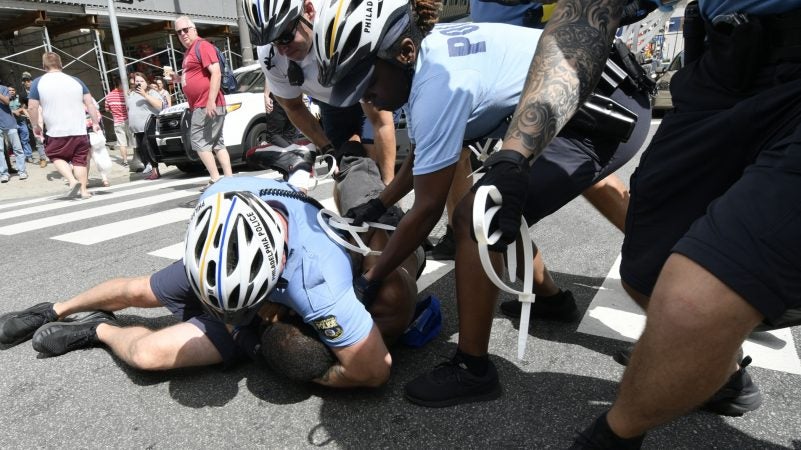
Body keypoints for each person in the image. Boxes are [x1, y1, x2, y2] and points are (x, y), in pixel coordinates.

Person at [469, 0, 801, 447]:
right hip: (723, 66)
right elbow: (585, 18)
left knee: (694, 300)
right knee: (648, 273)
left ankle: (612, 437)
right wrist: (513, 158)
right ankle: (722, 378)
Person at [314, 0, 653, 406]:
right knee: (500, 198)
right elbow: (425, 154)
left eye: (367, 85)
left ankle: (472, 369)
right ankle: (553, 301)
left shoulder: (436, 88)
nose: (367, 101)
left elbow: (426, 211)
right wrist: (379, 203)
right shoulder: (427, 56)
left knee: (478, 215)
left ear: (404, 52)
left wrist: (367, 283)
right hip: (579, 98)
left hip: (599, 110)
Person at [0, 152, 421, 388]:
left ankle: (98, 330)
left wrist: (284, 362)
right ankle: (54, 308)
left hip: (277, 294)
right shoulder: (220, 198)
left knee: (149, 356)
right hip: (228, 258)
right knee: (138, 290)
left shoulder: (318, 283)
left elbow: (372, 371)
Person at [242, 0, 400, 185]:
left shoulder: (339, 24)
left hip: (366, 85)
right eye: (273, 42)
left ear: (309, 11)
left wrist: (388, 190)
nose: (282, 51)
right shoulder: (269, 54)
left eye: (285, 37)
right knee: (345, 170)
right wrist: (327, 149)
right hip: (330, 100)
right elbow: (293, 107)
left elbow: (381, 122)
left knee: (372, 164)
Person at [27, 52, 102, 199]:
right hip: (79, 130)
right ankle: (84, 191)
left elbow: (32, 108)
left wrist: (35, 125)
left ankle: (72, 181)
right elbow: (90, 104)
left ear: (44, 66)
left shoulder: (38, 82)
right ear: (61, 64)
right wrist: (95, 123)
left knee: (55, 155)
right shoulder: (76, 81)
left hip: (56, 131)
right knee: (79, 160)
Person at [174, 15, 235, 189]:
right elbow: (196, 76)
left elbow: (216, 72)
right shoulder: (190, 50)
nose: (183, 34)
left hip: (206, 103)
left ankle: (216, 178)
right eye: (179, 32)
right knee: (216, 142)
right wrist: (179, 78)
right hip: (203, 104)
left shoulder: (202, 46)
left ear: (194, 29)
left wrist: (210, 101)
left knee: (198, 140)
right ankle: (229, 179)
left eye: (186, 30)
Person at [127, 72, 165, 180]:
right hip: (136, 128)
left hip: (148, 125)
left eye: (141, 81)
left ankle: (155, 171)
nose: (139, 83)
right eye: (137, 81)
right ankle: (152, 170)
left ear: (146, 82)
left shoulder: (151, 92)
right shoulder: (132, 93)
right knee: (143, 151)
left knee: (148, 147)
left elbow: (160, 105)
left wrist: (145, 95)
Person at [0, 82, 29, 182]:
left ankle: (22, 171)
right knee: (0, 150)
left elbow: (7, 102)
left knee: (17, 148)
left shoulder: (3, 88)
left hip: (8, 123)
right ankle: (4, 173)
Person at [19, 72, 48, 168]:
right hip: (34, 115)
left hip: (45, 112)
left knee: (51, 134)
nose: (27, 82)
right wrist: (28, 115)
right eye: (25, 81)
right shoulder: (23, 94)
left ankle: (56, 155)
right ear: (23, 83)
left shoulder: (39, 90)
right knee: (38, 137)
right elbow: (23, 107)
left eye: (28, 80)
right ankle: (43, 158)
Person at [105, 75, 133, 167]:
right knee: (134, 140)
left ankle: (125, 161)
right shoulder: (127, 95)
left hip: (117, 122)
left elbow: (107, 109)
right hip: (129, 120)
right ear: (120, 84)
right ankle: (138, 157)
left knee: (122, 143)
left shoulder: (109, 96)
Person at [7, 87, 36, 165]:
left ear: (15, 91)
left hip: (21, 122)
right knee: (15, 142)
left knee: (25, 139)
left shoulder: (19, 97)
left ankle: (29, 156)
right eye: (9, 90)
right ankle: (19, 158)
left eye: (13, 90)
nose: (11, 92)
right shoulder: (5, 99)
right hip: (11, 123)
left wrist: (19, 110)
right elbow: (4, 110)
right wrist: (13, 111)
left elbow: (24, 106)